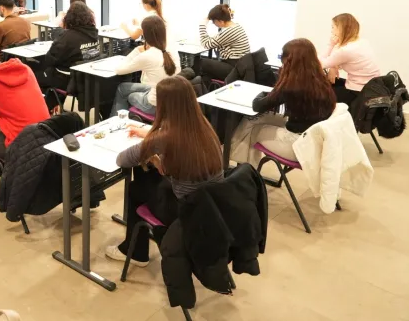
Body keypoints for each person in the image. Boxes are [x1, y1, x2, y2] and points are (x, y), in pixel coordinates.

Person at [105, 76, 224, 267]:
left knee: (136, 189)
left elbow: (122, 160)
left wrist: (150, 148)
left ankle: (135, 252)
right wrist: (153, 153)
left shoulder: (165, 138)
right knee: (146, 174)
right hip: (210, 206)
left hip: (183, 211)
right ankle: (140, 241)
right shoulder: (204, 126)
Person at [230, 38, 337, 165]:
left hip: (298, 145)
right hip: (312, 138)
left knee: (252, 129)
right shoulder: (320, 79)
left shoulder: (293, 86)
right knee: (252, 119)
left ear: (290, 60)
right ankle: (243, 166)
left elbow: (257, 105)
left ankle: (243, 167)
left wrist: (263, 93)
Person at [37, 1, 99, 110]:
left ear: (69, 18)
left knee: (36, 76)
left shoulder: (67, 37)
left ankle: (45, 109)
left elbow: (50, 59)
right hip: (85, 79)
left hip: (67, 80)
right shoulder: (94, 33)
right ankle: (54, 106)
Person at [111, 16, 178, 117]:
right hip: (171, 100)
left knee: (129, 95)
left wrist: (137, 50)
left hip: (154, 105)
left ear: (145, 35)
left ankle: (118, 121)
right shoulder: (172, 51)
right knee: (123, 87)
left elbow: (119, 70)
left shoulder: (147, 55)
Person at [321, 13, 381, 107]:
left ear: (341, 29)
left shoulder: (346, 50)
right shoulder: (361, 42)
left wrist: (331, 44)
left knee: (319, 93)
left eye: (333, 27)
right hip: (370, 88)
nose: (331, 31)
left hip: (358, 91)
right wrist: (333, 66)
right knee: (327, 83)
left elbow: (318, 63)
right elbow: (338, 59)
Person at [199, 4, 250, 83]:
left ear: (221, 21)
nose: (214, 24)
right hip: (240, 67)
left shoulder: (229, 31)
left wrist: (202, 25)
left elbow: (206, 44)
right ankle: (204, 87)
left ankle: (187, 84)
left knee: (201, 62)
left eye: (214, 21)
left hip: (234, 69)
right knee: (206, 74)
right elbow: (215, 40)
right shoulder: (236, 26)